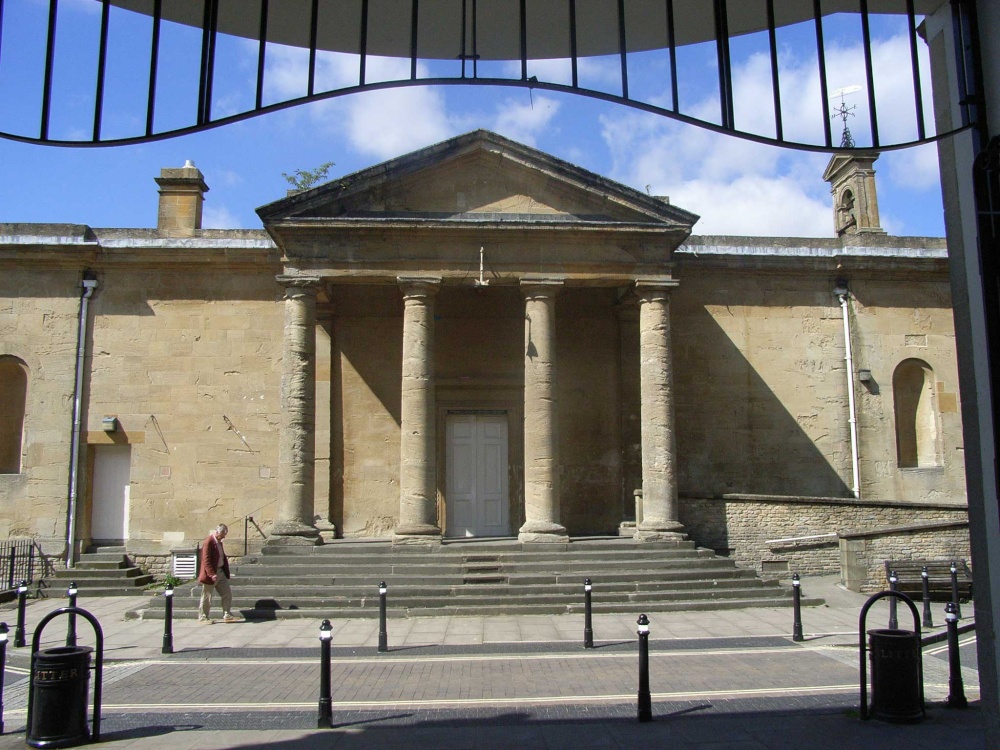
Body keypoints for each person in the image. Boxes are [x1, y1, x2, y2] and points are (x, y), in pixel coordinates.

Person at [197, 523, 241, 623]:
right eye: (223, 534)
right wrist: (211, 574)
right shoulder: (209, 542)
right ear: (217, 532)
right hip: (211, 574)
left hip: (220, 572)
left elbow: (221, 556)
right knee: (207, 596)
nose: (224, 537)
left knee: (227, 593)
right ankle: (203, 617)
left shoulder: (219, 542)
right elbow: (206, 560)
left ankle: (227, 614)